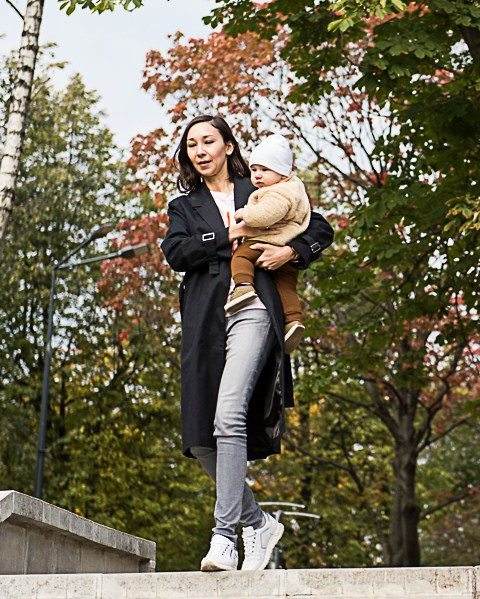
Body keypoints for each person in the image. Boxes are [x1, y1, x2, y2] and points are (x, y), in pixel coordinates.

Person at [160, 115, 333, 571]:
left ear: (229, 146)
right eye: (191, 144)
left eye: (209, 141)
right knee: (201, 438)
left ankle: (224, 537)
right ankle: (257, 522)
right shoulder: (184, 206)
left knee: (229, 410)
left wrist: (293, 252)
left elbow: (318, 227)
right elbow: (176, 252)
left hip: (254, 305)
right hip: (202, 321)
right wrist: (226, 235)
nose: (200, 150)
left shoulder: (259, 186)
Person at [225, 133, 310, 355]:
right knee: (286, 285)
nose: (258, 176)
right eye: (254, 170)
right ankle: (293, 321)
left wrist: (245, 213)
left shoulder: (278, 193)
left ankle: (243, 287)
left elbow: (265, 215)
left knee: (241, 257)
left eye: (265, 170)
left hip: (268, 240)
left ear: (282, 172)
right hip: (287, 244)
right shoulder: (293, 188)